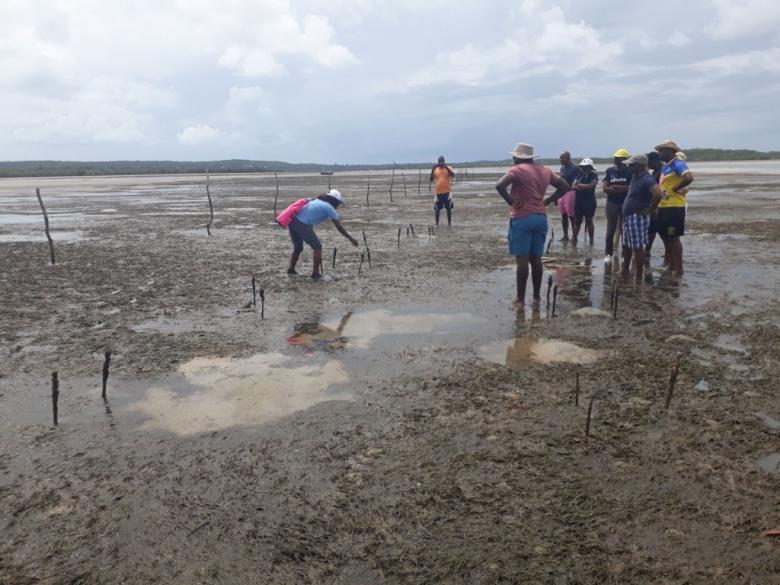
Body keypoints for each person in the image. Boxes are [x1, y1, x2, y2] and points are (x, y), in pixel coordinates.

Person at [495, 143, 570, 305]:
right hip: (540, 217)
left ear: (517, 157)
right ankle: (536, 297)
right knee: (536, 259)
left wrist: (511, 202)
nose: (513, 159)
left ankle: (520, 299)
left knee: (522, 260)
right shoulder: (545, 170)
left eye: (514, 157)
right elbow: (565, 186)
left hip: (522, 217)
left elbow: (499, 185)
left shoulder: (517, 170)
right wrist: (548, 200)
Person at [287, 189, 359, 279]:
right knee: (317, 247)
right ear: (334, 201)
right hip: (302, 225)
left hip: (292, 222)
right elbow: (339, 227)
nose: (338, 205)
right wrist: (350, 238)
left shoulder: (316, 200)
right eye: (338, 203)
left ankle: (291, 269)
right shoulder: (329, 207)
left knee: (298, 247)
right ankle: (315, 274)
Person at [620, 154, 664, 282]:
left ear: (639, 165)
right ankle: (625, 271)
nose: (628, 167)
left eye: (631, 165)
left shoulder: (646, 178)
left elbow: (658, 193)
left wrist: (650, 210)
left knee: (638, 247)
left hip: (637, 217)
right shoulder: (635, 177)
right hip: (629, 216)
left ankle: (639, 276)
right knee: (627, 246)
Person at [655, 139, 694, 277]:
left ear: (671, 151)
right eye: (659, 150)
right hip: (663, 205)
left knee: (673, 237)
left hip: (674, 206)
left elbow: (689, 177)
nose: (659, 153)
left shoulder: (678, 163)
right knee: (665, 236)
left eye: (662, 150)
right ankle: (671, 264)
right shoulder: (665, 166)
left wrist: (676, 188)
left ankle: (679, 269)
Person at [602, 148, 632, 263]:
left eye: (618, 158)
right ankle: (608, 253)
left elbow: (632, 187)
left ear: (624, 159)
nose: (615, 159)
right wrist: (617, 189)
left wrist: (619, 188)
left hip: (626, 203)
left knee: (625, 229)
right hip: (612, 203)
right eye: (615, 157)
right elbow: (605, 188)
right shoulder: (610, 170)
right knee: (610, 229)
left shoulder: (630, 171)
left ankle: (625, 253)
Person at [571, 158, 598, 246]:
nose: (583, 168)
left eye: (585, 167)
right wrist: (585, 186)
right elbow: (573, 186)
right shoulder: (579, 175)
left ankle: (591, 241)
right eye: (582, 167)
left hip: (589, 200)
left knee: (589, 220)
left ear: (590, 167)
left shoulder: (594, 175)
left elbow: (592, 185)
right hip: (579, 200)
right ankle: (574, 239)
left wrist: (580, 185)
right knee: (577, 221)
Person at [645, 151, 663, 265]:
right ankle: (647, 251)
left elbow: (659, 192)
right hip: (656, 205)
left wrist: (654, 207)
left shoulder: (661, 173)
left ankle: (647, 251)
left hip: (659, 206)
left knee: (655, 230)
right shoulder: (656, 172)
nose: (647, 164)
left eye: (648, 162)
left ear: (654, 161)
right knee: (652, 230)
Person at [557, 151, 578, 241]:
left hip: (570, 192)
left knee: (571, 216)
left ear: (568, 158)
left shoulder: (575, 168)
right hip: (561, 193)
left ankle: (574, 236)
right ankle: (565, 235)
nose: (561, 160)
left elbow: (577, 180)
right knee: (563, 215)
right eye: (560, 158)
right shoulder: (562, 168)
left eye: (563, 158)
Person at [429, 155, 455, 226]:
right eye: (439, 162)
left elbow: (453, 175)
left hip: (447, 193)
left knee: (448, 209)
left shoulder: (448, 168)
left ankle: (449, 223)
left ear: (444, 162)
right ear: (438, 162)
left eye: (442, 162)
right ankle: (437, 223)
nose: (441, 164)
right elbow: (431, 179)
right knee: (437, 209)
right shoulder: (436, 169)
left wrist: (446, 167)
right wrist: (433, 168)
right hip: (438, 193)